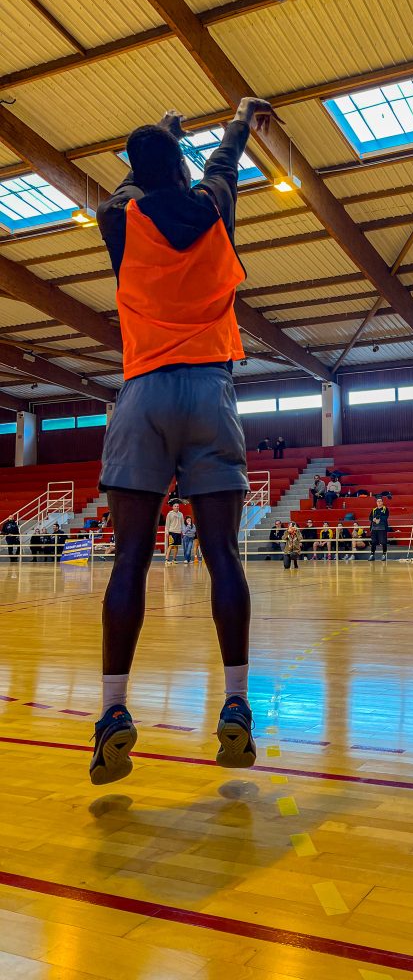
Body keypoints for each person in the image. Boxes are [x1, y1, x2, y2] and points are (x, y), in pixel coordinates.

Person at [92, 96, 279, 785]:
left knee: (130, 561)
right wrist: (238, 121)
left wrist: (160, 134)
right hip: (209, 389)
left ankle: (113, 712)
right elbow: (223, 163)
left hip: (141, 394)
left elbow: (129, 186)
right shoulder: (214, 204)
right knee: (223, 553)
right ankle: (234, 700)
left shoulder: (121, 217)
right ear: (180, 166)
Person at [369, 497, 390, 561]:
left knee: (383, 542)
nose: (379, 502)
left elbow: (386, 516)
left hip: (382, 528)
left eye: (380, 501)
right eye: (378, 501)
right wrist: (373, 520)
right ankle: (372, 555)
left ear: (382, 502)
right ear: (376, 502)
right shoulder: (373, 510)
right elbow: (370, 517)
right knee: (373, 542)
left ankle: (384, 554)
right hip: (374, 528)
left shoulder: (385, 509)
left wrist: (379, 519)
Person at [165, 500, 184, 565]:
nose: (176, 507)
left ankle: (174, 559)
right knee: (170, 546)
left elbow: (182, 524)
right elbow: (167, 524)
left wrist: (183, 532)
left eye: (177, 506)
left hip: (178, 532)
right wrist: (167, 531)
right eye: (175, 506)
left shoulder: (181, 514)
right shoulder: (169, 514)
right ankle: (167, 560)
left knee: (176, 546)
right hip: (172, 531)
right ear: (172, 507)